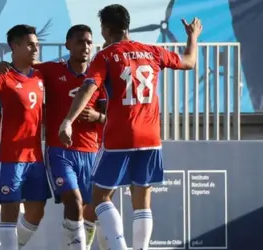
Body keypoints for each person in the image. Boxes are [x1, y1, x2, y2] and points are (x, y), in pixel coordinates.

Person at [59, 4, 202, 250]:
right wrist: (192, 37)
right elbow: (189, 61)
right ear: (128, 26)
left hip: (120, 135)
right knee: (142, 200)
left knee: (100, 197)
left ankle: (119, 247)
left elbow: (88, 87)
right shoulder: (152, 51)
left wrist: (68, 120)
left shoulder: (105, 56)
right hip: (151, 137)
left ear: (105, 30)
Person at [0, 24, 108, 250]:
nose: (85, 46)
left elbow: (111, 117)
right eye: (79, 41)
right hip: (60, 151)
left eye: (88, 42)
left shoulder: (99, 76)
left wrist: (97, 116)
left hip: (92, 151)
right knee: (74, 203)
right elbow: (26, 68)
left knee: (90, 210)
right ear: (68, 45)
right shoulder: (52, 70)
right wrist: (5, 66)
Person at [0, 24, 51, 250]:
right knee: (10, 213)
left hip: (35, 156)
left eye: (37, 44)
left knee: (37, 211)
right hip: (9, 156)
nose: (35, 48)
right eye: (30, 44)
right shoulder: (3, 75)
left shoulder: (40, 74)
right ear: (15, 46)